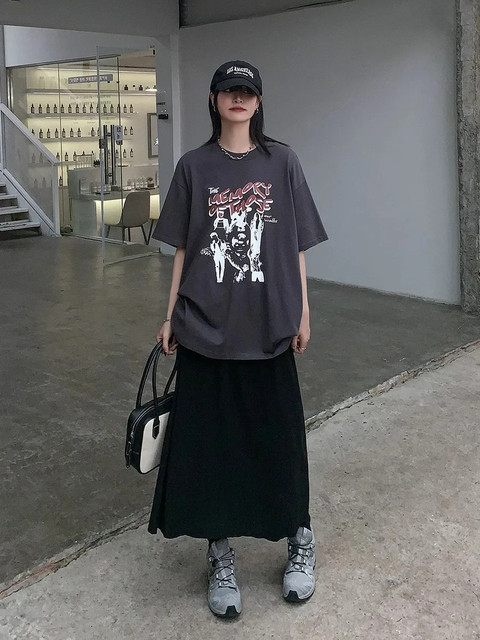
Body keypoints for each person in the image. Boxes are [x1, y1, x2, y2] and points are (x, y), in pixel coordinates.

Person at [148, 60, 328, 619]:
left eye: (248, 90)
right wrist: (170, 315)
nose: (239, 97)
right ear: (214, 99)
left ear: (258, 101)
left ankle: (299, 539)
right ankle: (220, 554)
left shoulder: (283, 162)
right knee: (214, 450)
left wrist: (303, 311)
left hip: (269, 328)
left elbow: (296, 245)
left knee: (280, 443)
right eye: (229, 89)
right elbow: (183, 248)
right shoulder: (193, 166)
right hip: (205, 329)